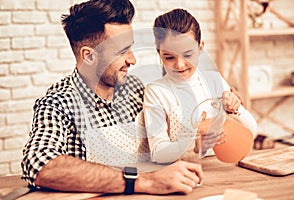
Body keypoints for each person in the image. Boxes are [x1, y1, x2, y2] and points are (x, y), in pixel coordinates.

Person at [21, 0, 202, 195]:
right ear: (89, 56)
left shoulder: (135, 88)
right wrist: (143, 182)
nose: (133, 59)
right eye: (122, 51)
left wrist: (220, 104)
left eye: (131, 48)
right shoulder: (58, 103)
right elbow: (39, 164)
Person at [144, 9, 257, 163]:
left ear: (200, 48)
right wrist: (194, 144)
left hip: (222, 167)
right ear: (159, 53)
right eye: (169, 57)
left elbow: (252, 131)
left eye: (188, 54)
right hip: (186, 170)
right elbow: (158, 153)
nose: (179, 64)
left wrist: (235, 110)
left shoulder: (214, 80)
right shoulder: (156, 92)